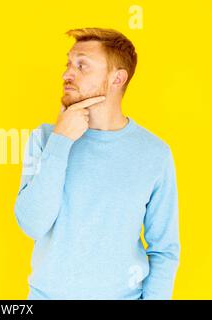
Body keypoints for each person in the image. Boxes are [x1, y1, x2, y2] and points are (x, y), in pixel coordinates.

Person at [14, 27, 180, 299]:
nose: (67, 74)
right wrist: (61, 142)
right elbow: (32, 224)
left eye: (82, 66)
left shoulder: (155, 154)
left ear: (117, 78)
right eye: (68, 64)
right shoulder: (45, 138)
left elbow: (164, 249)